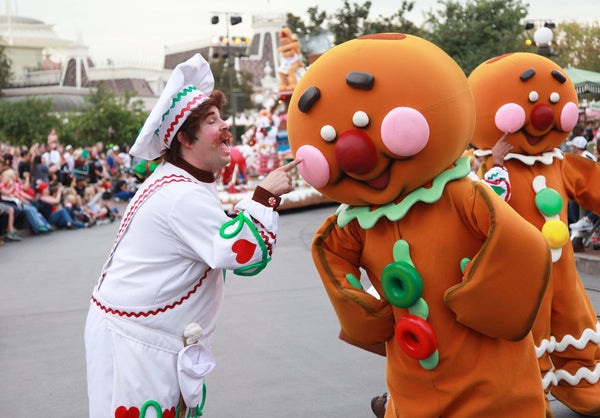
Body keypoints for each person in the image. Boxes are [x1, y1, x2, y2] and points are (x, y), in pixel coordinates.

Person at [84, 53, 300, 417]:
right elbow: (241, 252)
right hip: (136, 342)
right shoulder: (179, 193)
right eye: (213, 120)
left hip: (141, 335)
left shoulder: (182, 181)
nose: (226, 126)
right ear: (185, 138)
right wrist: (264, 196)